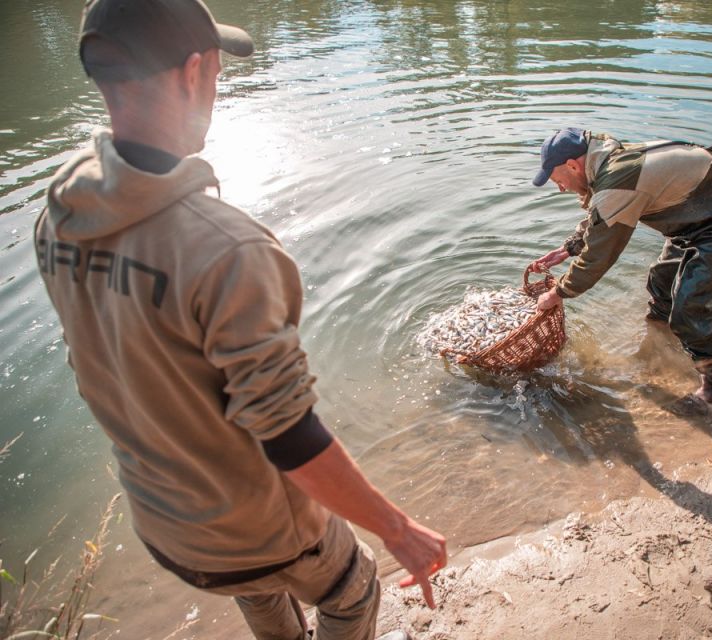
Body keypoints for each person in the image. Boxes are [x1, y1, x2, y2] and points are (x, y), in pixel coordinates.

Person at [33, 1, 445, 639]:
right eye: (220, 74)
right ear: (194, 72)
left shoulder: (60, 214)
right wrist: (398, 529)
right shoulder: (227, 248)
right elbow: (287, 434)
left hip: (166, 527)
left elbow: (94, 356)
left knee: (256, 590)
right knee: (352, 590)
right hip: (256, 526)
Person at [529, 127, 712, 405]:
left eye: (559, 181)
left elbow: (599, 255)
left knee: (691, 306)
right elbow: (602, 215)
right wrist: (568, 248)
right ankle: (661, 349)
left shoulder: (617, 179)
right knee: (662, 281)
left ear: (573, 165)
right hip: (696, 218)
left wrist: (558, 293)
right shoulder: (610, 162)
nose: (561, 188)